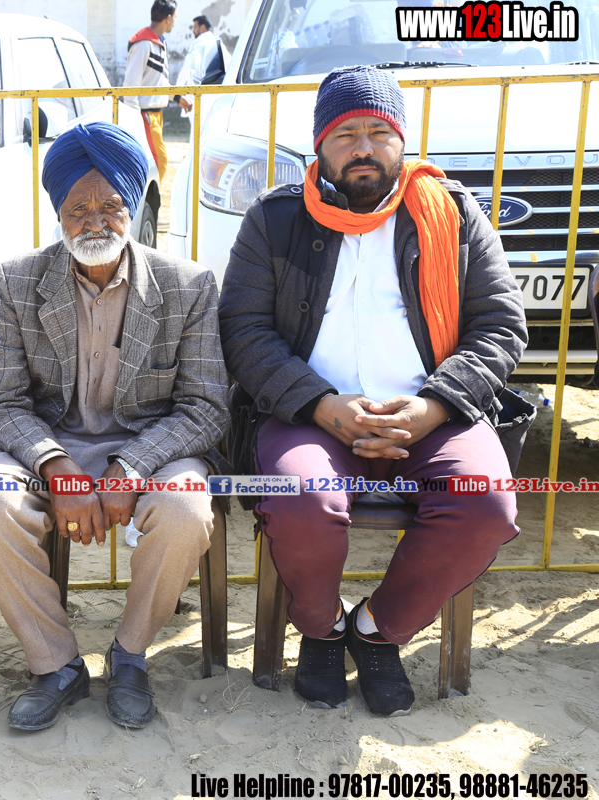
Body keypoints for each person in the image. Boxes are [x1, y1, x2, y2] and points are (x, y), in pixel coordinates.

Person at [219, 66, 525, 717]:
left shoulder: (452, 214)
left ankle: (376, 631)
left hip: (433, 413)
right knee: (302, 498)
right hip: (308, 416)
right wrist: (320, 405)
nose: (364, 148)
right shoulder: (275, 219)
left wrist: (434, 406)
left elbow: (500, 324)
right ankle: (323, 629)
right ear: (320, 147)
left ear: (401, 140)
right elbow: (243, 331)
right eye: (345, 134)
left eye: (379, 132)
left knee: (486, 506)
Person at [0, 121, 229, 731]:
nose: (94, 222)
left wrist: (131, 466)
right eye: (78, 209)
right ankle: (56, 664)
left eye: (110, 205)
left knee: (186, 511)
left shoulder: (187, 285)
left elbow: (205, 407)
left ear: (132, 206)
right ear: (58, 212)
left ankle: (130, 654)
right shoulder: (17, 279)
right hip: (48, 444)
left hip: (152, 448)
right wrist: (56, 466)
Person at [122, 0, 189, 178]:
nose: (175, 21)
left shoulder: (158, 42)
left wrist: (177, 98)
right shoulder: (144, 44)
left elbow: (158, 81)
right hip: (145, 115)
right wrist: (134, 117)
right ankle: (150, 195)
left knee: (153, 161)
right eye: (175, 17)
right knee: (160, 160)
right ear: (168, 18)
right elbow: (130, 85)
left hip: (155, 114)